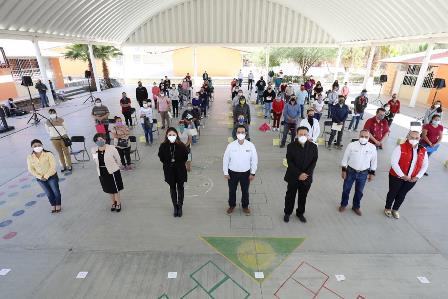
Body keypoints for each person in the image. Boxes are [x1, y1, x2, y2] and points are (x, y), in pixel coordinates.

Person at [385, 131, 428, 219]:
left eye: (416, 138)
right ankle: (388, 208)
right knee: (393, 192)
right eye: (412, 137)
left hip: (412, 179)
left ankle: (395, 209)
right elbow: (394, 162)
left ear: (419, 138)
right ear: (408, 137)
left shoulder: (423, 150)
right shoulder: (400, 147)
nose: (414, 139)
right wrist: (402, 175)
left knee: (402, 194)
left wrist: (417, 177)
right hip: (396, 176)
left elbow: (425, 165)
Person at [283, 126, 318, 223]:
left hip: (306, 178)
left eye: (305, 134)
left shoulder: (313, 147)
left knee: (303, 196)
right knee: (290, 195)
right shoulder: (290, 146)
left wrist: (306, 174)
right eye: (300, 134)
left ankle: (300, 213)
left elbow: (314, 162)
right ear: (297, 135)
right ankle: (287, 212)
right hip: (293, 177)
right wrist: (299, 174)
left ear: (308, 135)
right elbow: (289, 162)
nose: (303, 136)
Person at [339, 130, 377, 216]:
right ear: (359, 136)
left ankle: (356, 206)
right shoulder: (351, 145)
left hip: (363, 173)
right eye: (362, 136)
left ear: (369, 137)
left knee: (359, 191)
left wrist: (372, 173)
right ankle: (343, 204)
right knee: (346, 189)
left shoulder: (372, 147)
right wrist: (343, 170)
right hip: (350, 171)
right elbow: (345, 158)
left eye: (366, 137)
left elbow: (374, 161)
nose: (363, 138)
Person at [223, 125, 258, 216]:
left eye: (242, 132)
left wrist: (253, 173)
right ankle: (232, 205)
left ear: (246, 134)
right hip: (232, 173)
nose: (240, 134)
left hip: (245, 173)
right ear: (236, 133)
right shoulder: (230, 145)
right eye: (238, 132)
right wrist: (225, 172)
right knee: (232, 190)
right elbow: (225, 159)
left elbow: (254, 160)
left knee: (245, 191)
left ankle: (245, 206)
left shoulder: (250, 146)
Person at [158, 128, 189, 217]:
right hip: (169, 170)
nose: (172, 137)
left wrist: (178, 163)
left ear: (177, 135)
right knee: (172, 188)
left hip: (180, 170)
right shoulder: (163, 146)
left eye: (173, 135)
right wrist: (168, 163)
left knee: (180, 187)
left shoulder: (181, 145)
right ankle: (175, 206)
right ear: (167, 136)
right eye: (170, 135)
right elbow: (161, 157)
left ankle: (180, 206)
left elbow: (185, 157)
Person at [27, 139, 61, 213]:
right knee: (48, 193)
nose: (37, 147)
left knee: (56, 192)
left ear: (42, 145)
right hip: (40, 179)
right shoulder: (30, 157)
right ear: (32, 147)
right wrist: (40, 177)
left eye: (39, 145)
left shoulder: (48, 154)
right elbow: (31, 169)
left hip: (52, 176)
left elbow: (53, 166)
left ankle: (58, 204)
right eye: (35, 146)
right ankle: (53, 205)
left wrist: (46, 176)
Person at [92, 133, 123, 212]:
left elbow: (118, 159)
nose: (100, 141)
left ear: (105, 140)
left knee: (115, 189)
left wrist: (117, 166)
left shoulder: (111, 148)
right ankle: (113, 202)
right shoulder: (94, 150)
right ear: (95, 142)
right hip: (102, 172)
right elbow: (95, 160)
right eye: (98, 140)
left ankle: (118, 203)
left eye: (101, 139)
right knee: (109, 189)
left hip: (112, 171)